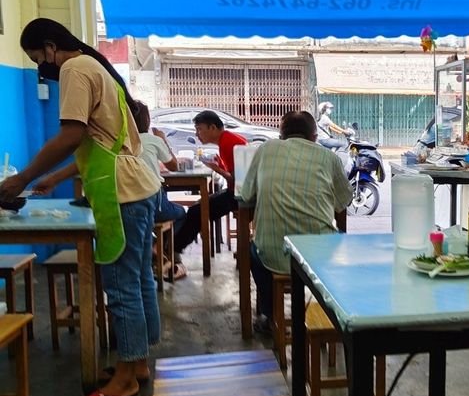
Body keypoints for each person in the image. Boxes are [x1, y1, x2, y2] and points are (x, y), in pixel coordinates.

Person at [0, 18, 161, 396]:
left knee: (122, 286)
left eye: (38, 58)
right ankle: (136, 363)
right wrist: (52, 176)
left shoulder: (74, 69)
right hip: (138, 188)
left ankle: (125, 379)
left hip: (119, 194)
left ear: (51, 48)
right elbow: (100, 143)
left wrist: (22, 177)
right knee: (138, 279)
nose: (41, 67)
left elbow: (71, 135)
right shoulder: (97, 67)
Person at [241, 110, 353, 333]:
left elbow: (246, 196)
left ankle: (269, 315)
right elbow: (343, 202)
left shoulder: (266, 150)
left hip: (272, 254)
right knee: (342, 244)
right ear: (314, 137)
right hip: (320, 258)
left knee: (254, 251)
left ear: (281, 135)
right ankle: (327, 314)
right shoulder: (329, 157)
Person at [172, 110, 246, 276]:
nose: (197, 134)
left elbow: (238, 179)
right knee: (198, 207)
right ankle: (173, 248)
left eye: (199, 129)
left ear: (212, 127)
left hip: (240, 195)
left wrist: (216, 169)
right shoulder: (226, 140)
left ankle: (173, 249)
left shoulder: (228, 142)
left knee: (197, 211)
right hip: (236, 191)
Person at [132, 101, 186, 266]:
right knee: (181, 213)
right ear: (146, 120)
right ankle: (160, 247)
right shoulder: (152, 139)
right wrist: (163, 140)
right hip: (154, 203)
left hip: (128, 204)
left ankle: (155, 247)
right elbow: (174, 166)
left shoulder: (121, 141)